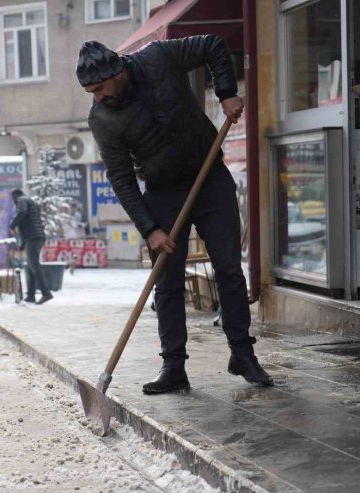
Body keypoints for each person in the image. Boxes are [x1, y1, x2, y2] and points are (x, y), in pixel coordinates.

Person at [78, 36, 273, 394]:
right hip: (163, 194)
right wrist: (150, 228)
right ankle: (173, 366)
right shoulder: (102, 119)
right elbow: (121, 178)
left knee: (228, 268)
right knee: (166, 282)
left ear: (118, 71)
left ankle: (242, 354)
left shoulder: (158, 57)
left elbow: (214, 46)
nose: (98, 97)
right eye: (91, 91)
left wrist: (227, 92)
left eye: (100, 87)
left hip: (209, 176)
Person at [10, 189, 53, 305]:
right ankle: (30, 295)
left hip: (33, 237)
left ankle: (46, 293)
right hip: (36, 237)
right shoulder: (31, 201)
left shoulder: (21, 200)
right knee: (30, 266)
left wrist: (12, 224)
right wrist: (23, 243)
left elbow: (22, 213)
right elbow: (29, 221)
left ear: (15, 197)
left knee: (34, 265)